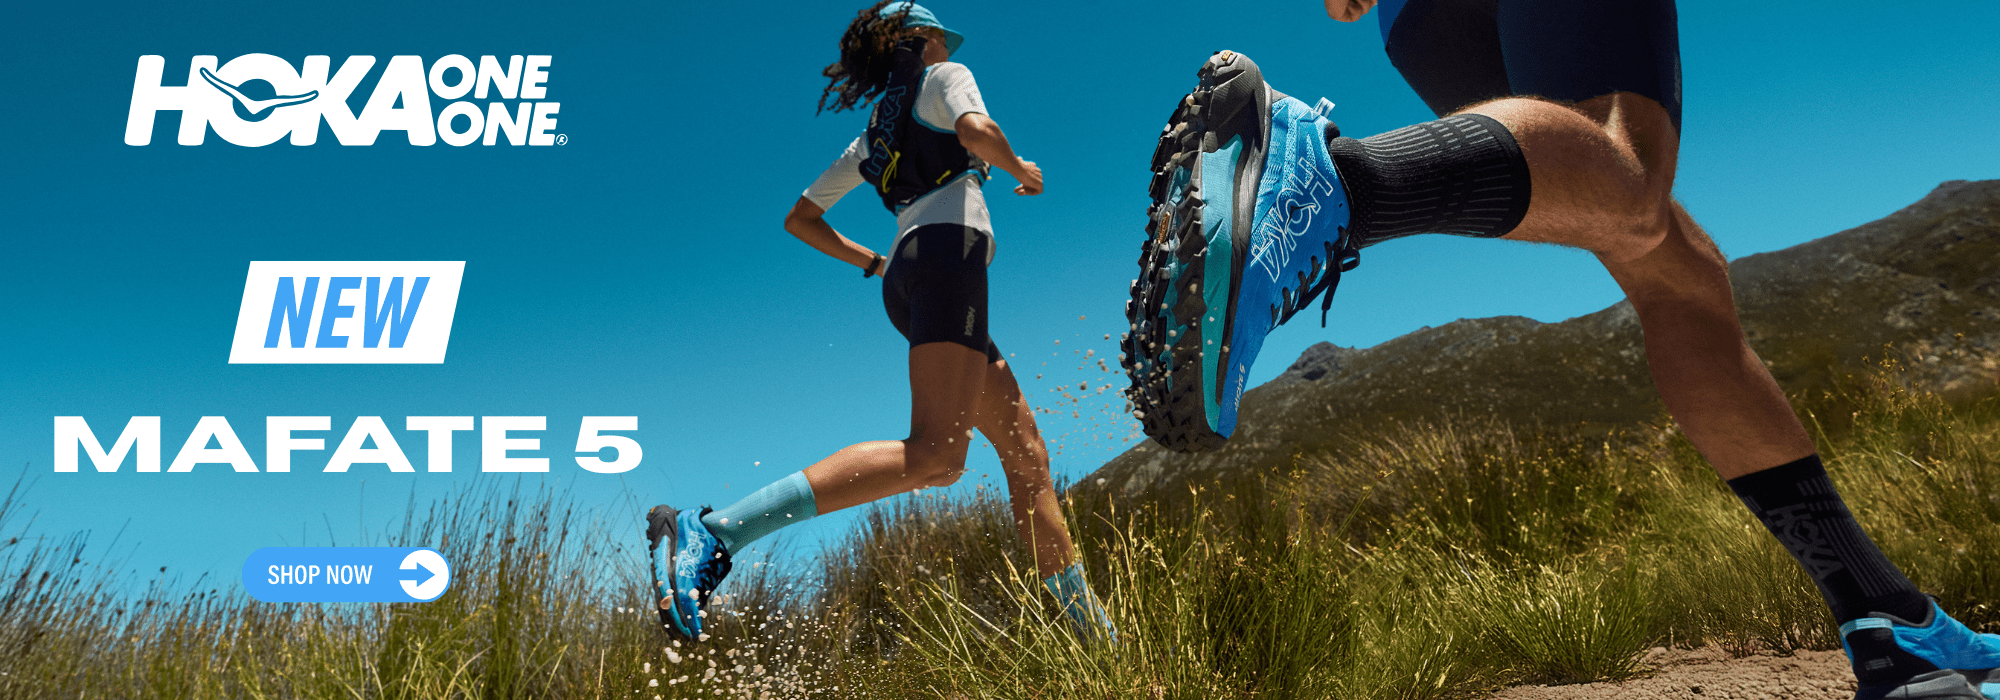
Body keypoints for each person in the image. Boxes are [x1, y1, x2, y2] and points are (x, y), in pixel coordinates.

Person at [1121, 0, 2000, 696]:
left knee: (1674, 268)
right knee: (1631, 180)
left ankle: (1887, 618)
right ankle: (1333, 185)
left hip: (1420, 17)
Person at [646, 1, 1114, 646]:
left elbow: (800, 219)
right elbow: (977, 132)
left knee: (1025, 456)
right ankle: (719, 530)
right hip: (949, 261)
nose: (946, 49)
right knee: (936, 453)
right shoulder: (944, 79)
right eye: (938, 39)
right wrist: (1020, 170)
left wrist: (873, 260)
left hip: (911, 274)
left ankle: (1092, 639)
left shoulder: (873, 138)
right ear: (917, 41)